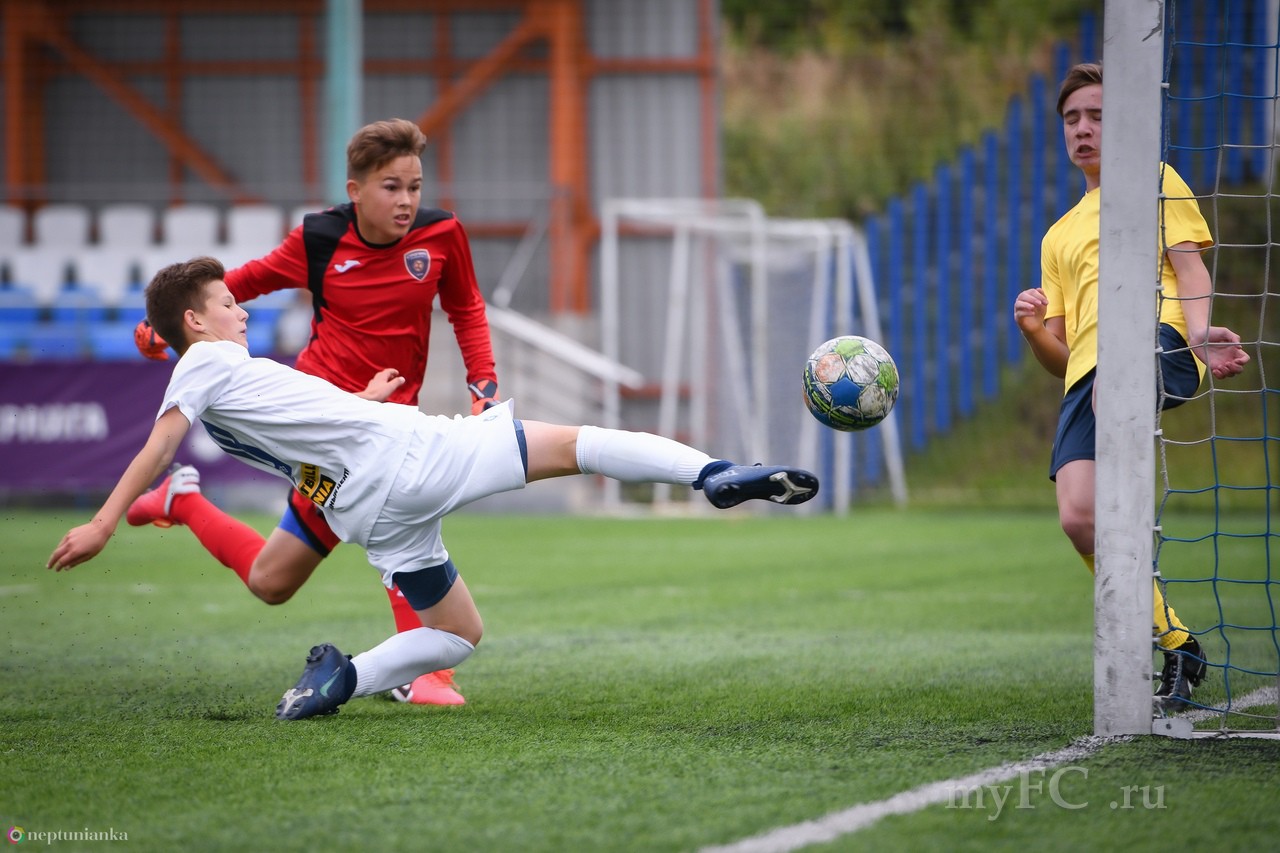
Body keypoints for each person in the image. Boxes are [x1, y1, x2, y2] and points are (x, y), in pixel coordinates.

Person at [48, 257, 819, 720]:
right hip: (411, 457)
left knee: (458, 633)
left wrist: (364, 403)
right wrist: (103, 523)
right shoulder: (206, 361)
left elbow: (296, 433)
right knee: (574, 444)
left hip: (368, 508)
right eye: (226, 303)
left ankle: (345, 676)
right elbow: (158, 443)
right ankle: (711, 473)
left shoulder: (224, 379)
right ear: (195, 320)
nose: (241, 309)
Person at [130, 118, 499, 706]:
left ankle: (425, 672)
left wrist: (483, 384)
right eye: (391, 186)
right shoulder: (320, 238)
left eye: (414, 186)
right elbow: (246, 281)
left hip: (391, 420)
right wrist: (166, 323)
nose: (406, 200)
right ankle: (423, 675)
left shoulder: (442, 235)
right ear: (356, 190)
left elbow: (468, 309)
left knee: (304, 566)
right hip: (317, 433)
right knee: (285, 576)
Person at [1013, 62, 1251, 711]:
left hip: (1159, 344)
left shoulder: (1156, 180)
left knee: (1114, 389)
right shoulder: (1058, 234)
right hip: (1087, 379)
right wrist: (1033, 330)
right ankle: (1179, 642)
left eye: (1097, 115)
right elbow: (1060, 356)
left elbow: (1189, 267)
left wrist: (1199, 334)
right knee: (1078, 517)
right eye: (1072, 119)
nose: (1083, 129)